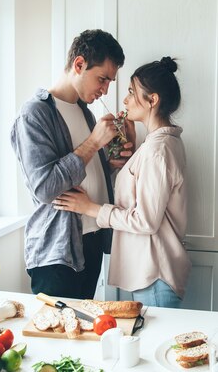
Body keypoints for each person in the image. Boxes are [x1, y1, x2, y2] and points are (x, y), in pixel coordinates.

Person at [53, 57, 191, 308]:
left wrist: (89, 208)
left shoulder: (157, 150)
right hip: (152, 272)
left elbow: (145, 220)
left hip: (155, 275)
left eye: (131, 92)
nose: (125, 100)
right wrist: (132, 145)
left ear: (153, 100)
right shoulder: (159, 144)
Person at [10, 29, 134, 299]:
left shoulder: (85, 112)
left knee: (86, 336)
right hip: (57, 254)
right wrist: (93, 142)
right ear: (79, 65)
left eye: (110, 82)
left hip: (90, 241)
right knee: (58, 340)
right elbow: (44, 188)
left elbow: (84, 171)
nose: (105, 89)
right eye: (102, 79)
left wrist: (109, 165)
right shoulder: (34, 113)